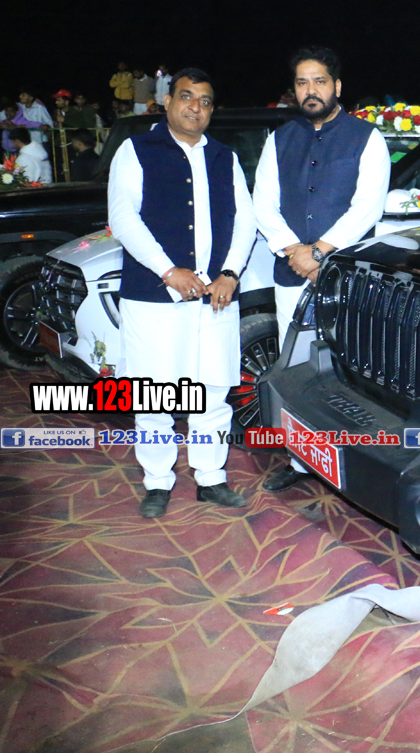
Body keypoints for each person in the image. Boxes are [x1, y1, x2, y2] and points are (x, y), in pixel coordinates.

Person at [107, 68, 257, 518]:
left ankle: (211, 478)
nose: (196, 107)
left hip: (216, 296)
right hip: (154, 297)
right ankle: (157, 481)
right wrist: (168, 270)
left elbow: (245, 220)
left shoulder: (225, 157)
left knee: (213, 390)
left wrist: (230, 273)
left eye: (205, 101)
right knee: (155, 395)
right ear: (168, 102)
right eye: (187, 97)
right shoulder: (136, 150)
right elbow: (124, 218)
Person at [252, 46, 390, 493]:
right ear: (294, 90)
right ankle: (300, 461)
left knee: (349, 369)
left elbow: (366, 207)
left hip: (347, 277)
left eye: (319, 81)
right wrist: (295, 251)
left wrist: (320, 251)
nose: (310, 90)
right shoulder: (279, 139)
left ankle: (356, 462)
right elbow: (263, 204)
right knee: (295, 367)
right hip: (292, 273)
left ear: (337, 86)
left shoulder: (367, 138)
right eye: (302, 83)